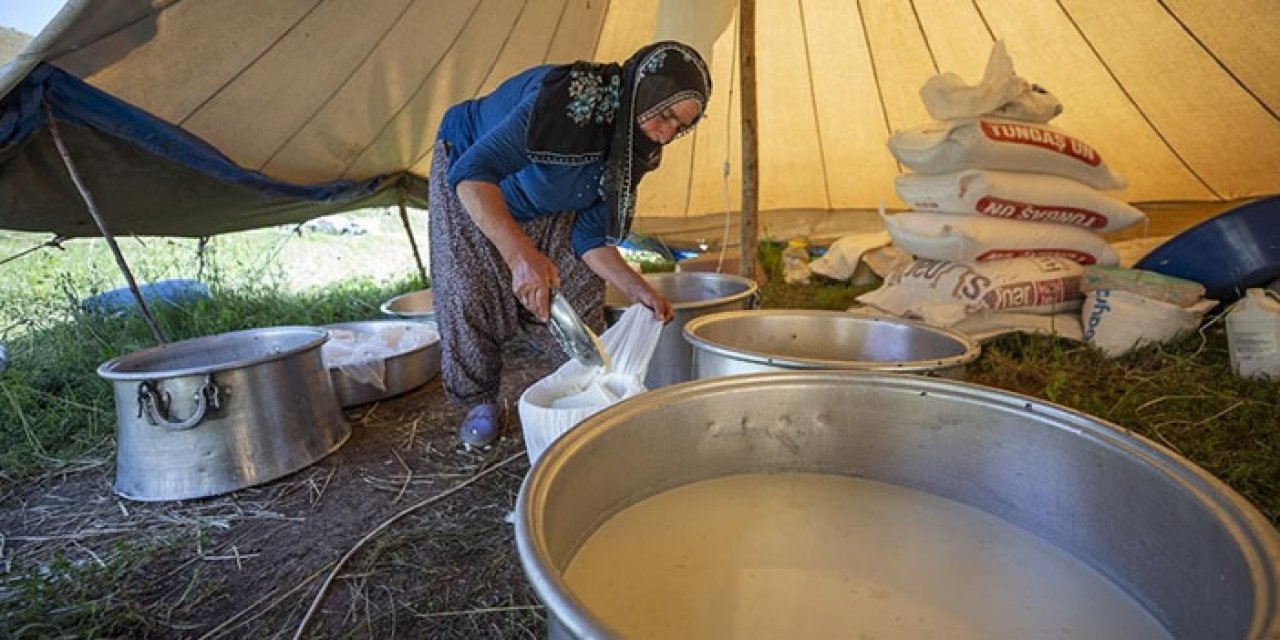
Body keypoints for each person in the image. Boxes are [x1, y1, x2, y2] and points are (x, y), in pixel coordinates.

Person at [428, 41, 712, 446]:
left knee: (576, 290)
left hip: (550, 191)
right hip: (476, 178)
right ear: (645, 89)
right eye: (665, 114)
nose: (667, 133)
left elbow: (589, 236)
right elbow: (473, 174)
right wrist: (520, 255)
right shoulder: (571, 100)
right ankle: (480, 401)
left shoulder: (639, 149)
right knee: (468, 289)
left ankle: (584, 392)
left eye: (681, 126)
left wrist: (637, 289)